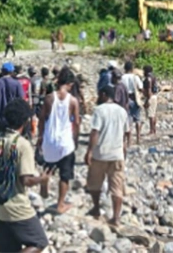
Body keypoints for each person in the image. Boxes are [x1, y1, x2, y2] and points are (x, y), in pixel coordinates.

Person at [0, 99, 51, 253]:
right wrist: (42, 179)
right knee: (38, 242)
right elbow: (26, 180)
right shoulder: (23, 144)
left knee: (7, 249)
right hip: (17, 207)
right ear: (26, 120)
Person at [37, 67, 80, 215]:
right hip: (65, 142)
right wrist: (76, 138)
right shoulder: (73, 101)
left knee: (49, 165)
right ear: (69, 84)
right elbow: (77, 123)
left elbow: (42, 119)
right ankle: (60, 204)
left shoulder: (49, 98)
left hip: (50, 139)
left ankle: (44, 180)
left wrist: (40, 137)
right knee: (65, 174)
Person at [85, 85, 128, 225]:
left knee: (95, 183)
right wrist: (124, 149)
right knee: (117, 187)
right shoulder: (122, 111)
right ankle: (116, 217)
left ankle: (96, 209)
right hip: (117, 154)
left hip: (100, 154)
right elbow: (127, 132)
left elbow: (95, 132)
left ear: (104, 94)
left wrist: (89, 151)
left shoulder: (99, 110)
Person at [0, 62, 22, 134]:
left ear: (2, 71)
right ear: (12, 72)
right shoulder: (17, 83)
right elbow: (21, 100)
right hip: (13, 116)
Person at [121, 61, 143, 146]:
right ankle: (138, 138)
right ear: (132, 69)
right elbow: (140, 88)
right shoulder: (135, 77)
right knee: (137, 119)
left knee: (128, 120)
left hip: (126, 100)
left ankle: (128, 141)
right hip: (135, 99)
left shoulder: (122, 77)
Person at [142, 65, 159, 137]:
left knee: (150, 115)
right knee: (153, 114)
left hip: (150, 97)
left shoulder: (148, 78)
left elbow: (148, 88)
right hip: (155, 96)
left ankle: (151, 130)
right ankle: (154, 130)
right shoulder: (154, 77)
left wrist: (147, 100)